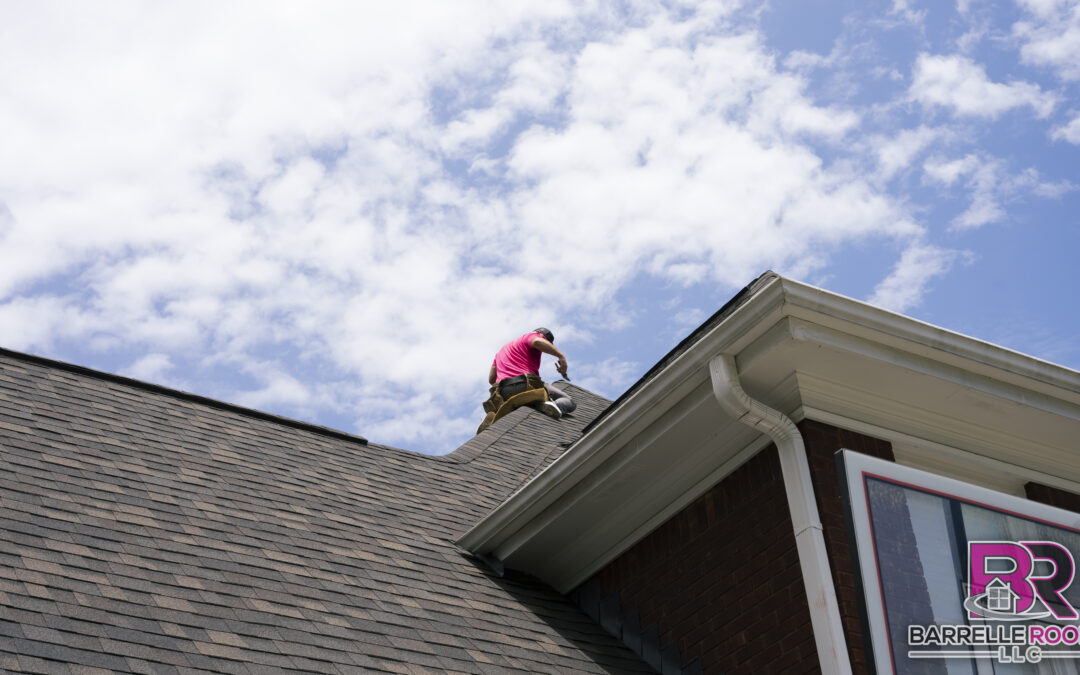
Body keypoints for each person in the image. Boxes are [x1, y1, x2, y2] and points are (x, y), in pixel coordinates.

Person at [489, 327, 576, 419]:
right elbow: (537, 342)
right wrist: (561, 356)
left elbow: (491, 379)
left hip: (503, 392)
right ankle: (551, 405)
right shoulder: (531, 336)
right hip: (525, 385)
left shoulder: (501, 351)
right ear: (539, 333)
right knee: (569, 401)